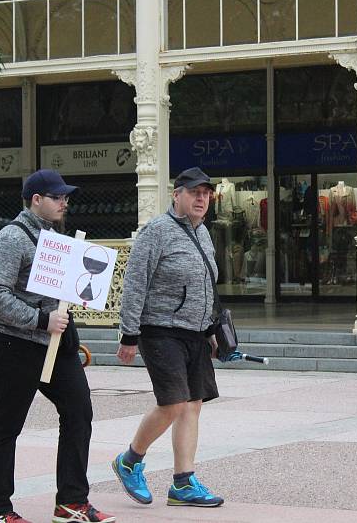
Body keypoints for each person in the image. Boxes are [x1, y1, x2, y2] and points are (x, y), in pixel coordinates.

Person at [0, 169, 114, 523]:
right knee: (6, 425)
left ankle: (71, 502)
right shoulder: (12, 237)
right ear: (36, 199)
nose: (64, 202)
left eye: (66, 197)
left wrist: (81, 293)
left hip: (57, 344)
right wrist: (40, 319)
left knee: (79, 412)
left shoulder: (58, 238)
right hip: (15, 344)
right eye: (57, 197)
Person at [113, 166, 224, 508]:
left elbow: (207, 285)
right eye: (194, 192)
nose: (201, 198)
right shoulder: (156, 231)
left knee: (192, 405)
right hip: (160, 330)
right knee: (173, 402)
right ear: (176, 195)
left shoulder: (203, 233)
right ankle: (129, 460)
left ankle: (183, 482)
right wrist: (129, 333)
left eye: (206, 193)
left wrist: (212, 329)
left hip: (195, 332)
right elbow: (135, 283)